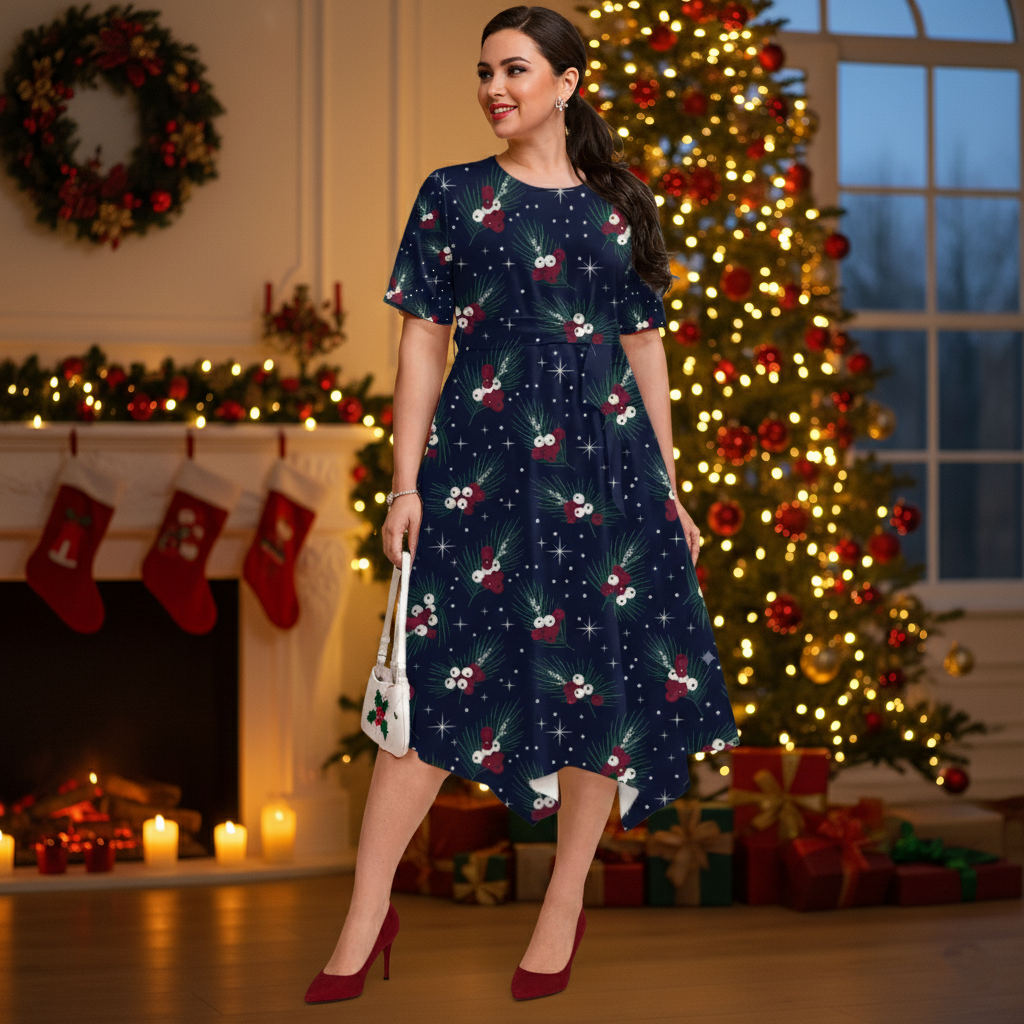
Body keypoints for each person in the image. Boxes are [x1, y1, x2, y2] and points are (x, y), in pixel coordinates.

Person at [305, 5, 738, 1005]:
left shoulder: (620, 204)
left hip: (610, 474)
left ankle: (563, 903)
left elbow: (644, 350)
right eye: (484, 71)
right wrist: (406, 483)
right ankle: (366, 912)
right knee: (427, 696)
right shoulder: (453, 197)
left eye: (515, 69)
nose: (495, 86)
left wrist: (670, 490)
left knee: (603, 691)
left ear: (567, 83)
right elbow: (420, 339)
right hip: (479, 476)